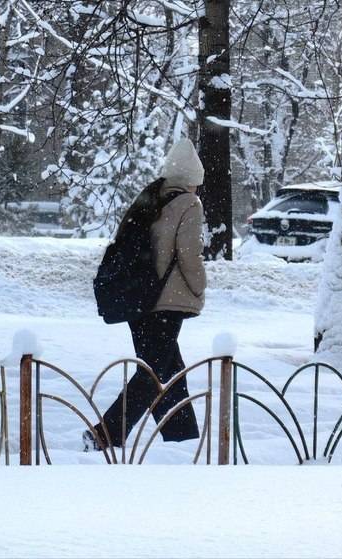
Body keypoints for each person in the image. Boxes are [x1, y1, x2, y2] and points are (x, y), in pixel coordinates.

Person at [85, 139, 206, 450]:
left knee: (169, 372)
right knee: (152, 374)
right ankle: (105, 435)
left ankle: (183, 440)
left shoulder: (152, 198)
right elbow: (189, 254)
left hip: (138, 300)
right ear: (193, 179)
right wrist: (199, 288)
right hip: (165, 303)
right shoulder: (189, 204)